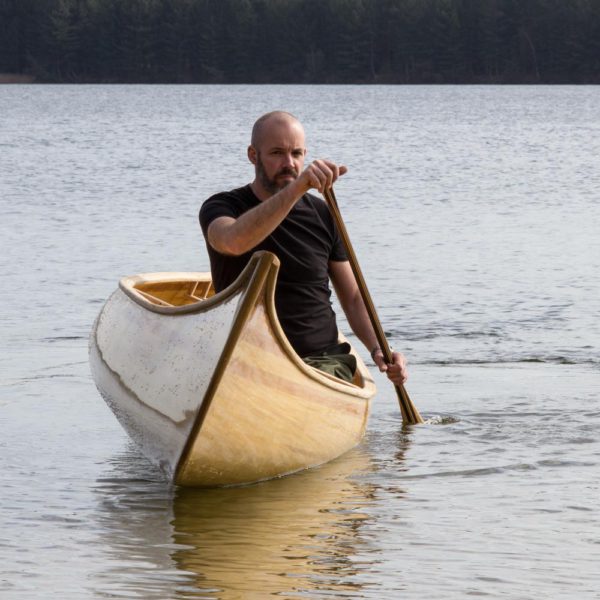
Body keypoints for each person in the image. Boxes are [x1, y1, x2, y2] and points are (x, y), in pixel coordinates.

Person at [199, 111, 407, 385]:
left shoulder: (323, 213)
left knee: (310, 378)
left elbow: (354, 297)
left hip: (321, 360)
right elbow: (233, 241)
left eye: (297, 154)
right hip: (246, 356)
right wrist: (297, 188)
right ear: (253, 155)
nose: (289, 163)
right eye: (277, 153)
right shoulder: (222, 206)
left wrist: (379, 347)